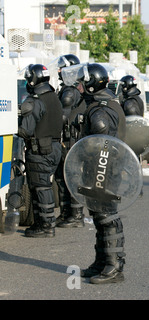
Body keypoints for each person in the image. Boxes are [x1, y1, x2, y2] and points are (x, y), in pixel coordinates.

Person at [75, 63, 127, 284]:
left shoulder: (100, 110)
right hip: (103, 169)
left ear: (91, 83)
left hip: (103, 169)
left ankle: (114, 266)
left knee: (107, 217)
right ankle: (101, 261)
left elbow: (101, 141)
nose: (78, 86)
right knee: (99, 216)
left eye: (82, 82)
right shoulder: (107, 103)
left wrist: (87, 155)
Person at [18, 64, 63, 238]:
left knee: (41, 187)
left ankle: (46, 225)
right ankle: (42, 222)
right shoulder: (54, 97)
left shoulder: (36, 100)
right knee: (44, 185)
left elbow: (26, 131)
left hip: (40, 151)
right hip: (54, 148)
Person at [54, 54, 86, 228]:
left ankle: (76, 215)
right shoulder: (72, 89)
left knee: (72, 177)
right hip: (69, 139)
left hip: (71, 140)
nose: (58, 71)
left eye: (61, 68)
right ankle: (66, 213)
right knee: (62, 177)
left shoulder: (69, 91)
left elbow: (62, 118)